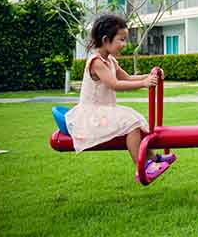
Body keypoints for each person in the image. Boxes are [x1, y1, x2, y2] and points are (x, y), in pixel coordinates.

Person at [65, 14, 175, 183]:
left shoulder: (110, 60)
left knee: (135, 120)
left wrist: (152, 75)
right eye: (121, 39)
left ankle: (152, 159)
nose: (125, 44)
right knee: (130, 121)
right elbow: (115, 84)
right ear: (105, 39)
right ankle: (142, 168)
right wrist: (145, 83)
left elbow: (128, 78)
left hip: (105, 112)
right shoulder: (96, 62)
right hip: (92, 115)